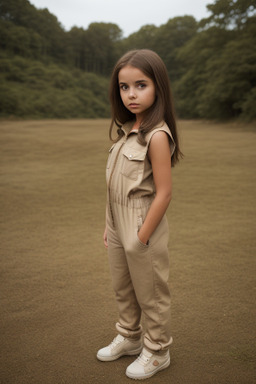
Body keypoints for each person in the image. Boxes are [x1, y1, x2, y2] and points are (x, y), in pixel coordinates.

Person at [96, 49, 182, 380]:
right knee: (123, 287)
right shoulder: (129, 130)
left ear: (158, 87)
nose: (131, 94)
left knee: (151, 292)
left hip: (142, 221)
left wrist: (142, 235)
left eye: (141, 85)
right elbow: (114, 186)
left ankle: (158, 350)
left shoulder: (157, 134)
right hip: (117, 221)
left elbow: (164, 192)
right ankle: (130, 337)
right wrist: (109, 225)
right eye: (124, 87)